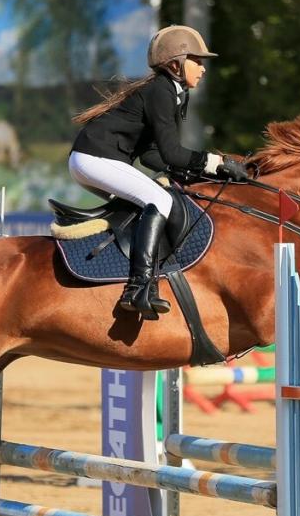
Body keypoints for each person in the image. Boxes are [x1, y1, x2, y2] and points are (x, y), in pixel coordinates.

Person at [68, 25, 248, 319]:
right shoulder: (161, 91)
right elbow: (172, 153)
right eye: (198, 61)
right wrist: (217, 163)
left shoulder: (168, 92)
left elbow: (152, 154)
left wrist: (196, 174)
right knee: (160, 201)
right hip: (95, 158)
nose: (203, 69)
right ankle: (139, 287)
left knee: (152, 200)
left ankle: (121, 273)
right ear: (176, 63)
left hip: (90, 159)